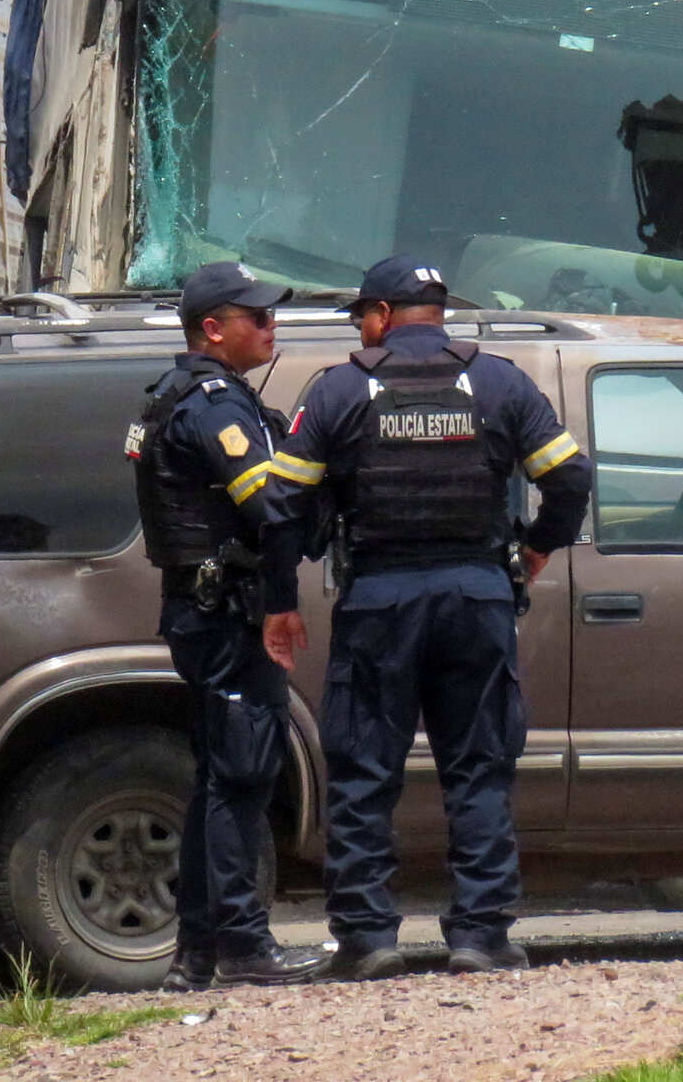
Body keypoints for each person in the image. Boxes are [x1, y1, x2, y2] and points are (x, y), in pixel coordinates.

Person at [252, 257, 592, 979]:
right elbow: (568, 478)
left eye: (360, 319)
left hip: (380, 601)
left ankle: (369, 939)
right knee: (478, 769)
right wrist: (535, 549)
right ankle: (480, 936)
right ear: (437, 312)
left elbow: (281, 507)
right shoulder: (500, 382)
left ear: (379, 314)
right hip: (476, 598)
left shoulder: (341, 388)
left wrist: (279, 602)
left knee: (365, 772)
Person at [125, 262, 328, 990]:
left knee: (220, 778)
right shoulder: (214, 405)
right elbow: (271, 511)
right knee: (241, 778)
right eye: (259, 317)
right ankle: (242, 945)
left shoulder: (187, 396)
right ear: (214, 328)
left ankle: (198, 953)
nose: (272, 328)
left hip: (206, 611)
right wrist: (281, 603)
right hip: (228, 615)